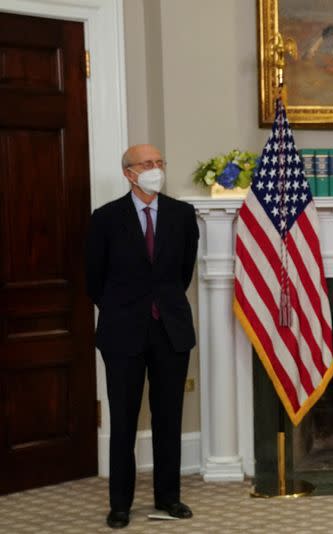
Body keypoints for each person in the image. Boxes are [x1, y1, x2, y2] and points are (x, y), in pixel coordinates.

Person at [85, 144, 198, 529]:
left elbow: (184, 272)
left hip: (171, 329)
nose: (155, 169)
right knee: (124, 421)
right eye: (147, 164)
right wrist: (126, 307)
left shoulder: (182, 215)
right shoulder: (105, 218)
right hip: (122, 332)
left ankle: (169, 498)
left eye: (159, 162)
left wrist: (159, 303)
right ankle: (120, 504)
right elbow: (93, 281)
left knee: (170, 418)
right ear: (129, 173)